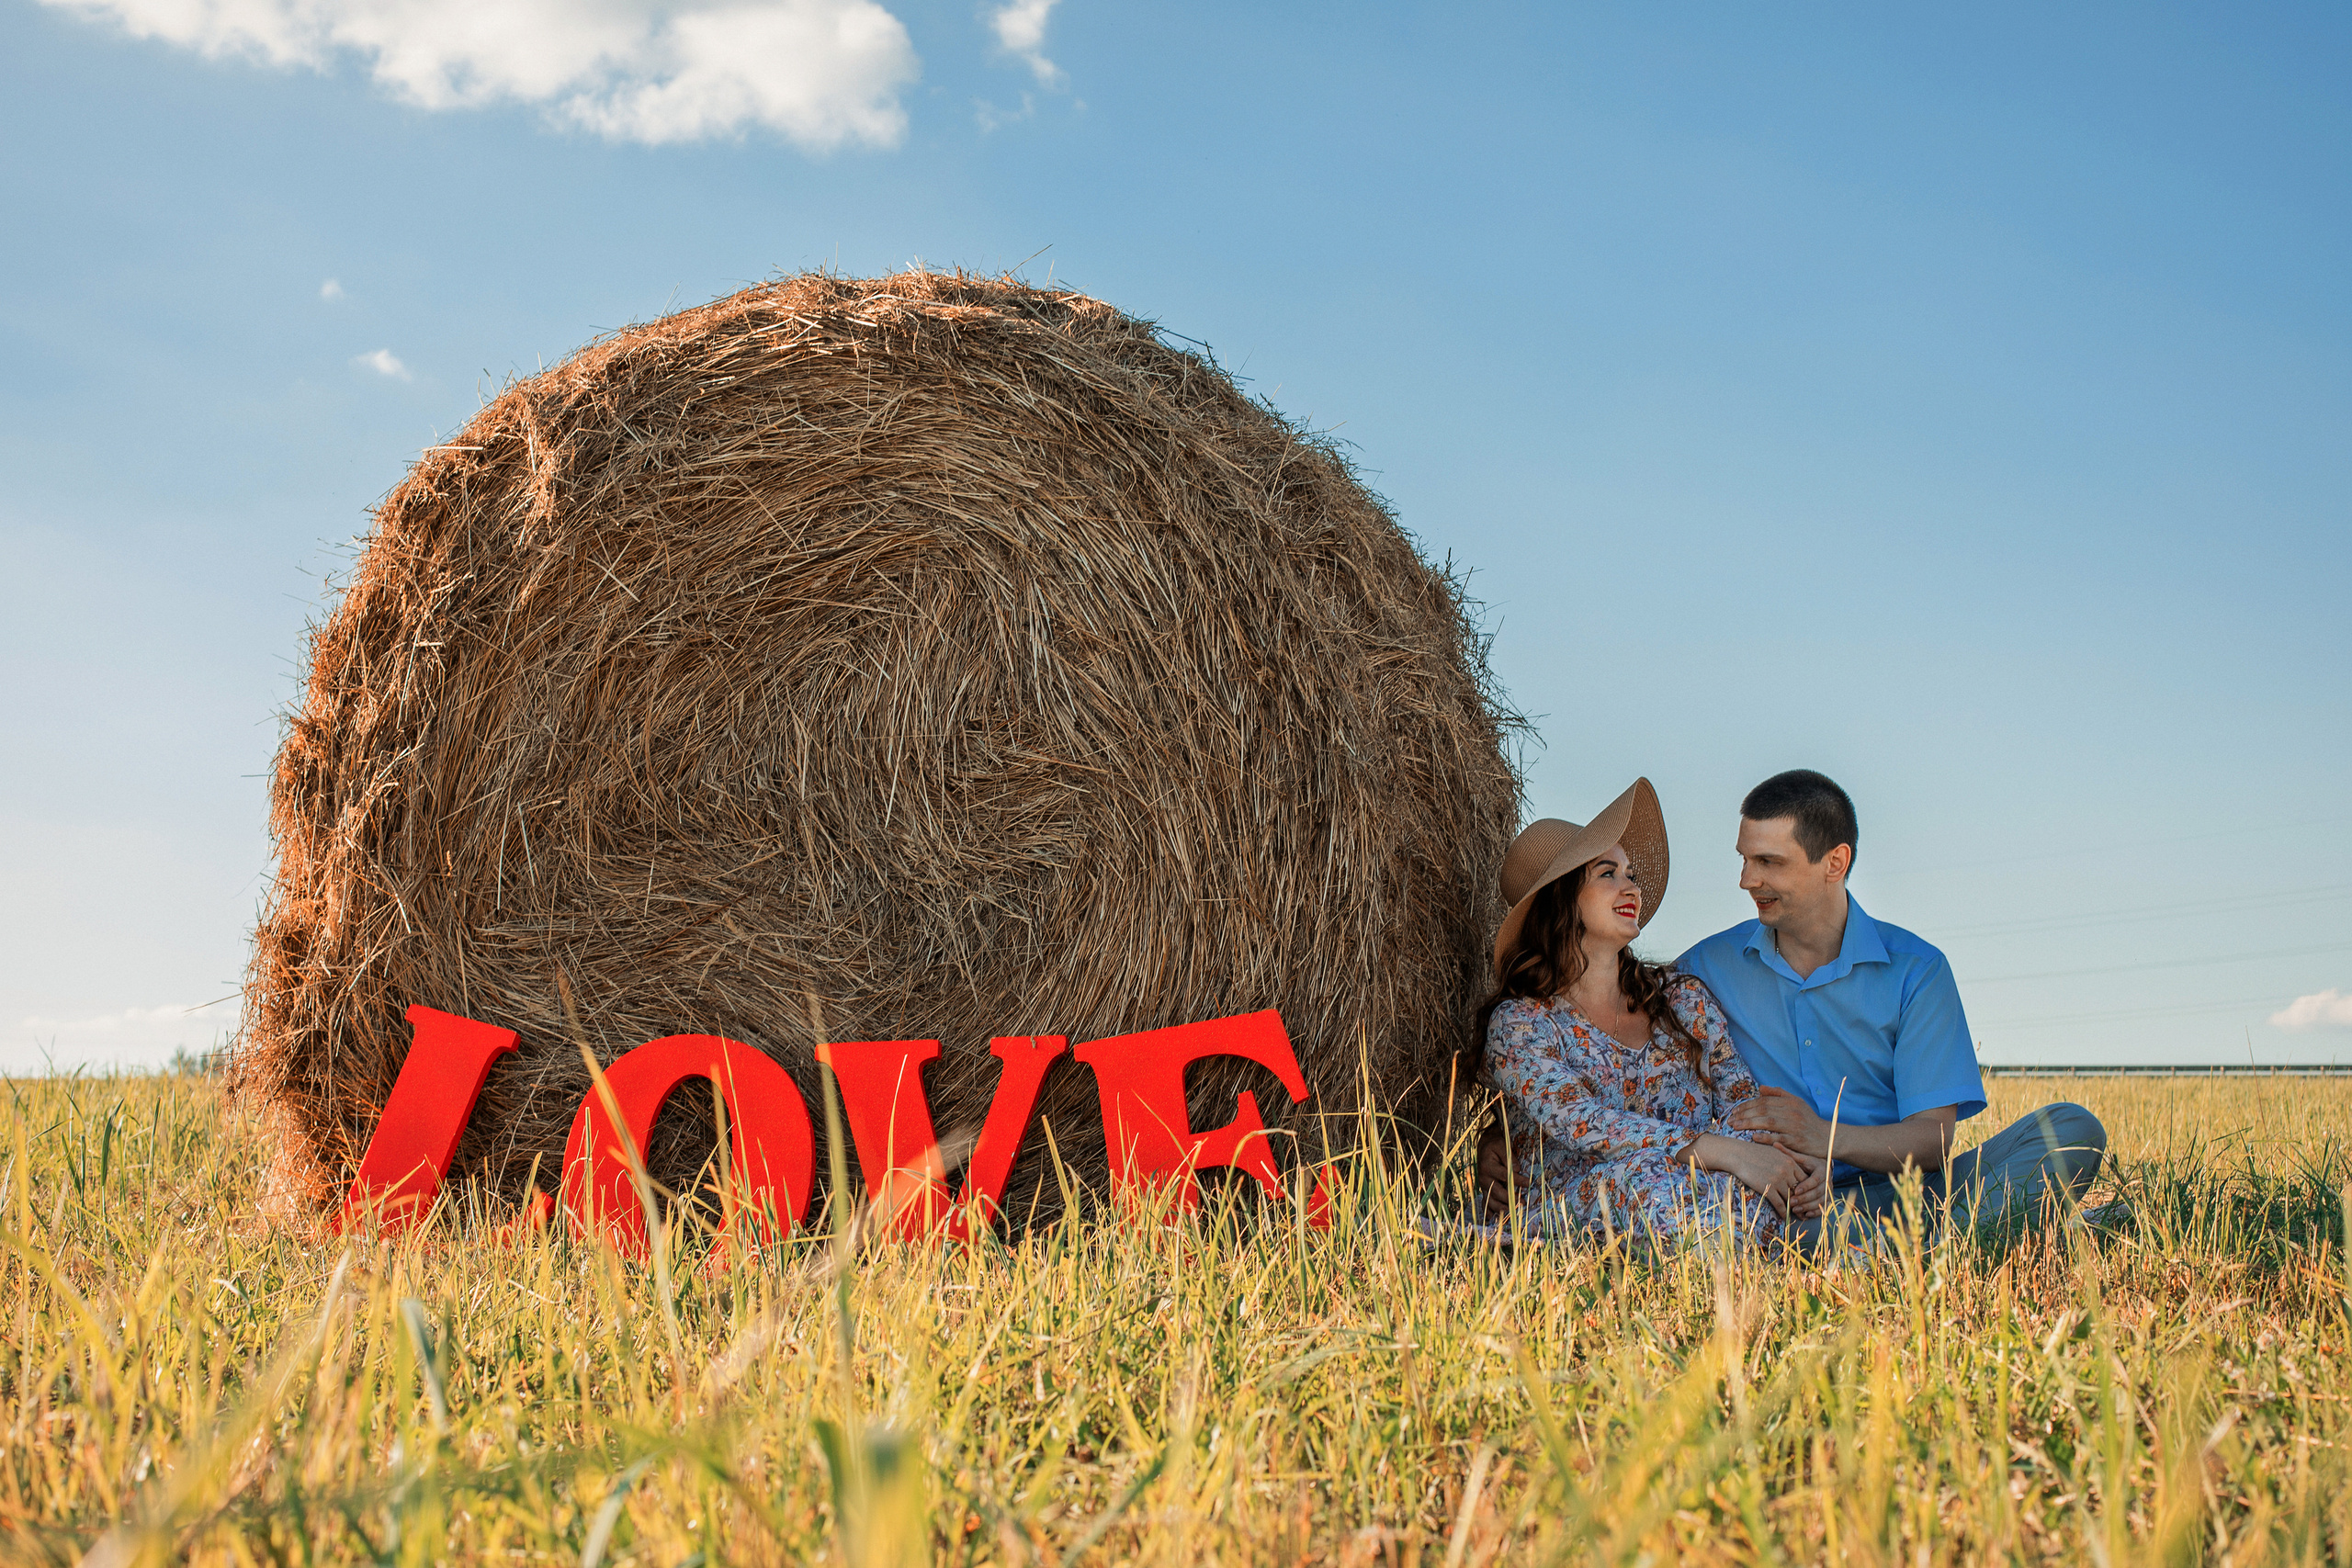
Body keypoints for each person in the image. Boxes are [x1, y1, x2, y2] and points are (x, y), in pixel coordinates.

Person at [1481, 770, 2108, 1248]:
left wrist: (1824, 1140)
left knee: (2071, 1130)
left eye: (1769, 862)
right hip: (1766, 1197)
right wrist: (1503, 1138)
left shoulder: (1916, 970)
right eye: (1745, 858)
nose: (1747, 879)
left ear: (1835, 863)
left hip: (1901, 1189)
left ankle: (1931, 1240)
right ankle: (2018, 1234)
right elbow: (1589, 1098)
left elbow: (1934, 1140)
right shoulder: (1701, 972)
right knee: (1700, 1216)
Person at [1469, 778, 1826, 1247]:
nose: (1630, 885)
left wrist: (1789, 1161)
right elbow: (1586, 1123)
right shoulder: (1520, 1026)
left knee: (1747, 1190)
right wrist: (1718, 1152)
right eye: (1607, 873)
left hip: (1716, 1188)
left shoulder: (1682, 999)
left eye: (1631, 873)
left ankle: (1760, 1257)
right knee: (1639, 1180)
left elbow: (1741, 1101)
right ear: (1561, 899)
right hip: (1592, 1204)